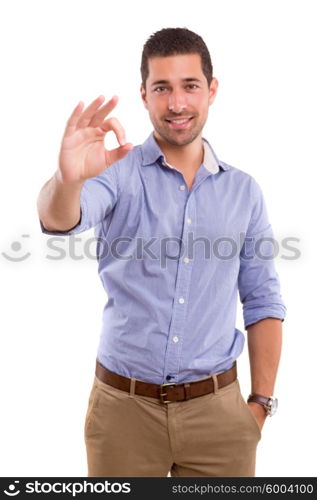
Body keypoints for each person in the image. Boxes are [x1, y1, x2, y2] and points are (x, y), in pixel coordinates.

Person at [37, 27, 286, 477]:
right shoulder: (116, 172)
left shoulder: (244, 191)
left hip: (220, 417)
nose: (177, 103)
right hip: (123, 415)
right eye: (162, 88)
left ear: (211, 90)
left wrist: (260, 405)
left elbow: (263, 299)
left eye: (190, 86)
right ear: (144, 95)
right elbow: (60, 219)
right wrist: (68, 178)